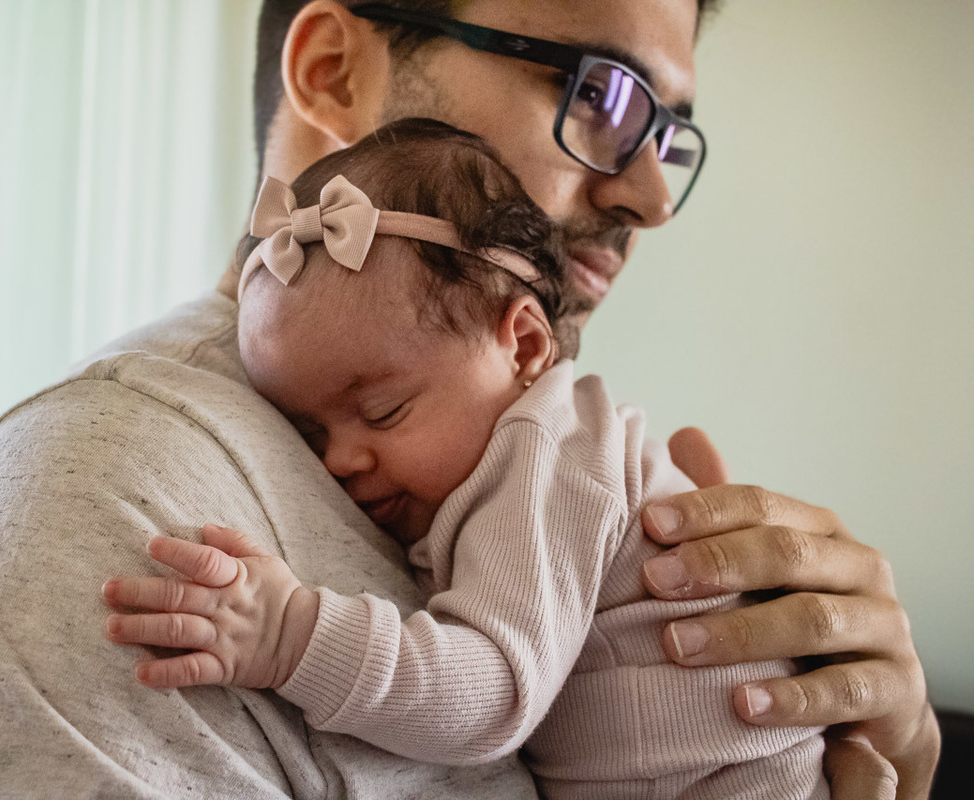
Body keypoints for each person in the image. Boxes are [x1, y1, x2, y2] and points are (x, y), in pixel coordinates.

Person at [0, 1, 939, 798]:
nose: (651, 194)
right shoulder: (108, 501)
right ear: (334, 70)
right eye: (600, 94)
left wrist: (887, 744)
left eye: (665, 131)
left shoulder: (531, 451)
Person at [103, 119, 831, 799]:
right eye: (308, 433)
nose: (340, 461)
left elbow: (493, 695)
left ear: (523, 345)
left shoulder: (550, 455)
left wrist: (289, 635)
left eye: (383, 410)